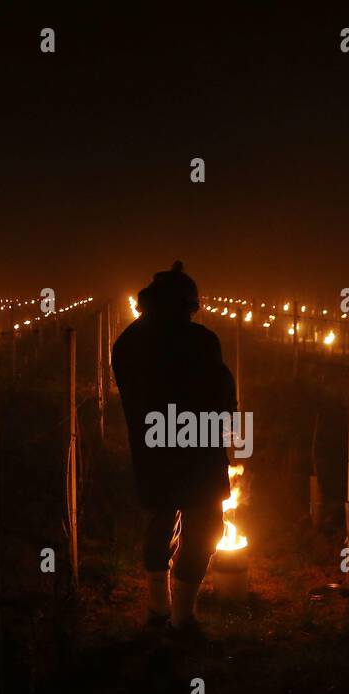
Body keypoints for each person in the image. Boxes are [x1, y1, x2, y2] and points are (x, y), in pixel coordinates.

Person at [111, 262, 237, 631]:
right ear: (186, 304)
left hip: (152, 448)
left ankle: (158, 609)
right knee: (204, 527)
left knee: (160, 523)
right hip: (199, 447)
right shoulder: (200, 340)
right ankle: (183, 618)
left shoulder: (128, 342)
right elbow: (222, 396)